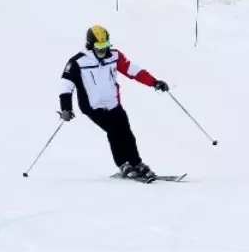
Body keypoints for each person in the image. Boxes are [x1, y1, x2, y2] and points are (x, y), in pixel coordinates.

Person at [58, 25, 169, 180]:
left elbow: (133, 71)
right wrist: (66, 108)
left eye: (105, 45)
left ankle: (137, 163)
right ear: (90, 45)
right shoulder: (77, 62)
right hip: (93, 106)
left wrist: (154, 82)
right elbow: (66, 84)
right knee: (114, 131)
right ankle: (123, 164)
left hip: (113, 103)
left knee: (127, 133)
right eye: (99, 46)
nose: (103, 50)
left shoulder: (115, 56)